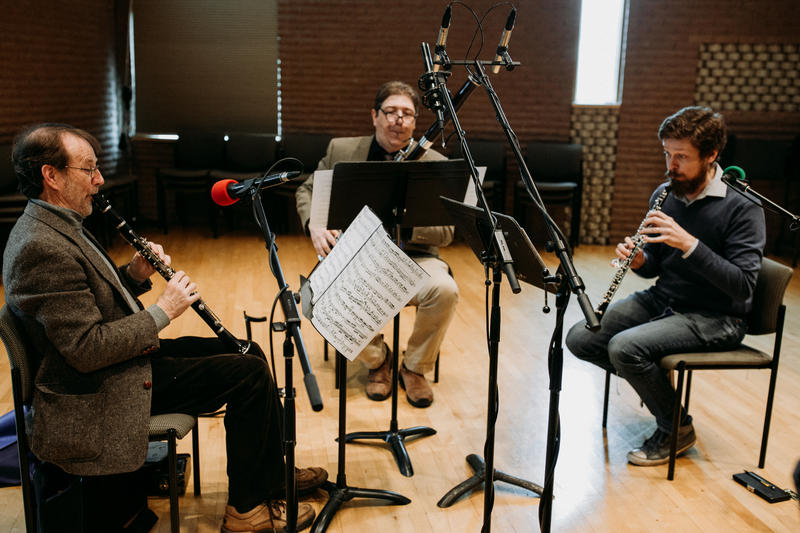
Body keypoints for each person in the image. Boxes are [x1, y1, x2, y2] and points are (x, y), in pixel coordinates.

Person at [3, 123, 327, 532]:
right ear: (52, 175)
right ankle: (245, 512)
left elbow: (89, 301)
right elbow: (86, 347)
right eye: (89, 170)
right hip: (95, 391)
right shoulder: (40, 246)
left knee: (250, 353)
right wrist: (164, 309)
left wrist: (135, 276)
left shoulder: (56, 224)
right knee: (246, 375)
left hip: (113, 367)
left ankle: (271, 473)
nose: (99, 179)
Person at [565, 106, 766, 466]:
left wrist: (689, 244)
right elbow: (656, 264)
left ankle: (676, 427)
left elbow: (742, 286)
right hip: (665, 299)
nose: (671, 165)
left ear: (711, 155)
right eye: (667, 154)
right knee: (581, 337)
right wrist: (641, 260)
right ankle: (652, 380)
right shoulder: (666, 193)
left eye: (682, 157)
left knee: (625, 349)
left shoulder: (743, 208)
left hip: (718, 315)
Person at [295, 81, 459, 408]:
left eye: (407, 114)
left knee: (445, 290)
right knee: (316, 301)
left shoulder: (435, 163)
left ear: (415, 122)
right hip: (357, 259)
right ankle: (378, 360)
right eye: (391, 112)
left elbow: (446, 232)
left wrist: (406, 225)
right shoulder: (341, 150)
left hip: (415, 258)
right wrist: (316, 223)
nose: (399, 119)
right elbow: (307, 191)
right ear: (374, 116)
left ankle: (414, 367)